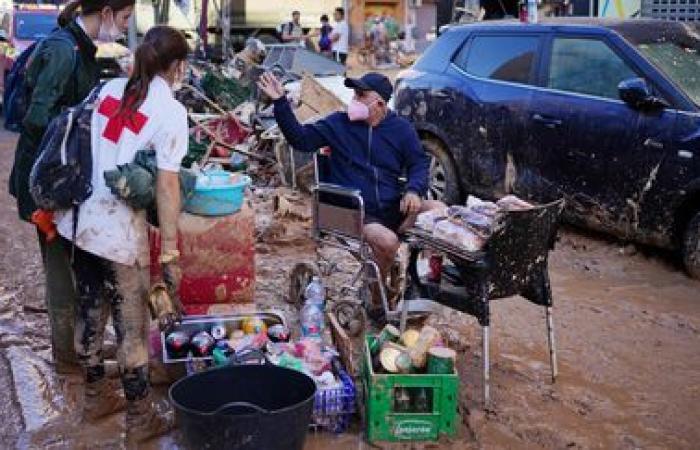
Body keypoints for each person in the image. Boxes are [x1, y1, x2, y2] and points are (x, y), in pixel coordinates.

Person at [53, 25, 189, 442]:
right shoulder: (171, 113)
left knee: (91, 312)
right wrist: (169, 252)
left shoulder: (109, 88)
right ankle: (140, 420)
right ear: (178, 67)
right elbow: (167, 186)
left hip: (76, 222)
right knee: (132, 329)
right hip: (116, 233)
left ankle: (95, 399)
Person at [8, 0, 135, 374]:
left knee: (73, 261)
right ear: (108, 12)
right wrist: (75, 130)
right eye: (125, 18)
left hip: (60, 178)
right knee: (61, 268)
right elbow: (37, 119)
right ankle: (67, 358)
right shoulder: (64, 50)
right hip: (47, 181)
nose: (125, 26)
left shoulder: (80, 47)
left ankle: (77, 344)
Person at [258, 72, 439, 312]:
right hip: (352, 209)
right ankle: (376, 299)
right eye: (354, 93)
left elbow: (418, 163)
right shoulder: (338, 124)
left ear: (380, 104)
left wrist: (414, 191)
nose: (354, 99)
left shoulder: (401, 129)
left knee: (440, 211)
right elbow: (301, 140)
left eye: (361, 95)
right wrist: (280, 103)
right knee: (387, 241)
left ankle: (424, 282)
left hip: (391, 204)